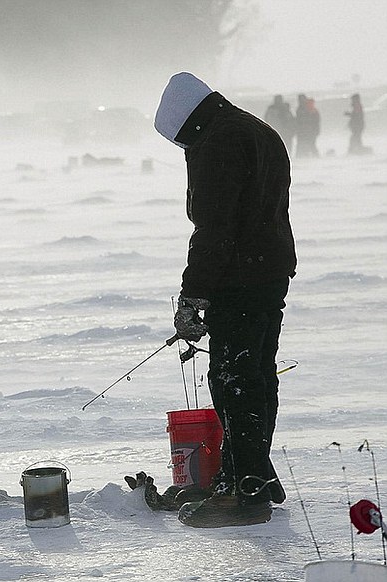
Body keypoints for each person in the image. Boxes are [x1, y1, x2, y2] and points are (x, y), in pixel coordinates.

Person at [153, 72, 297, 526]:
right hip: (269, 271)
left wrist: (194, 293)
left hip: (240, 278)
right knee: (257, 377)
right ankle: (250, 475)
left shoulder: (218, 142)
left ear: (188, 122)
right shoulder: (255, 128)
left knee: (234, 382)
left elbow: (214, 228)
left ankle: (245, 491)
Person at [295, 94, 321, 158]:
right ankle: (304, 156)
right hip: (305, 131)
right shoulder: (303, 108)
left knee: (310, 144)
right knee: (308, 144)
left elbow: (314, 120)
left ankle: (311, 156)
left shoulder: (307, 108)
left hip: (308, 131)